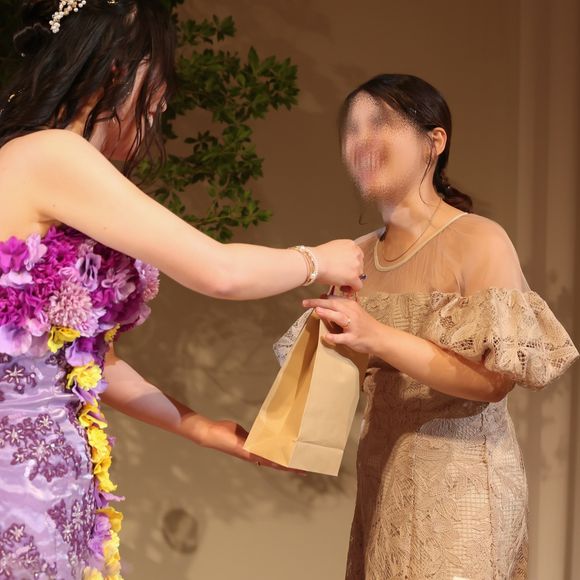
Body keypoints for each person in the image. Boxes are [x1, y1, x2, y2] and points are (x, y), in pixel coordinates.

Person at [0, 1, 365, 578]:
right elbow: (219, 271)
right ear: (118, 71)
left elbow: (86, 362)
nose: (159, 112)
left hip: (54, 481)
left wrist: (201, 427)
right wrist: (317, 259)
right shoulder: (52, 154)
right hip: (16, 482)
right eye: (158, 93)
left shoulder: (46, 160)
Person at [293, 74, 579, 579]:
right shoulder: (355, 255)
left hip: (461, 484)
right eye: (352, 129)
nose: (361, 140)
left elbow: (493, 382)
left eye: (379, 124)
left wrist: (375, 334)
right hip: (382, 478)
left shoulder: (479, 240)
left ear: (435, 141)